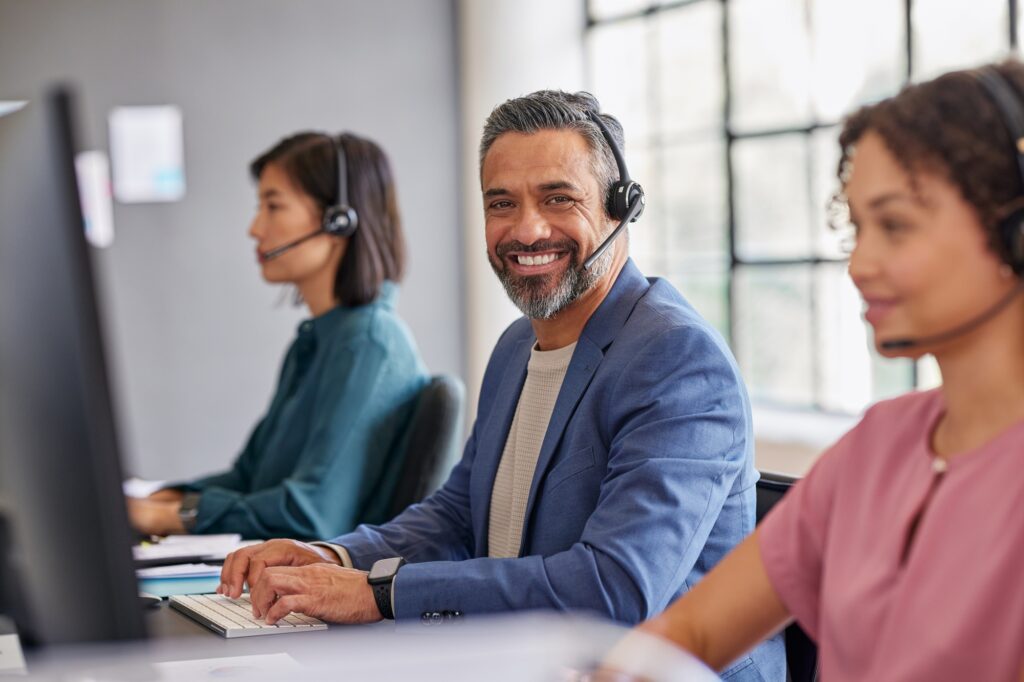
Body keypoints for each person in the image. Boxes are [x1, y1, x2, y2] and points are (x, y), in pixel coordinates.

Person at [218, 91, 784, 681]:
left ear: (621, 208)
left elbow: (614, 589)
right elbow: (461, 514)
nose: (526, 229)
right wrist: (332, 557)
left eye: (558, 198)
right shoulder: (518, 345)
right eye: (501, 203)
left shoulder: (676, 359)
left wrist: (378, 593)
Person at [601, 61, 1024, 681]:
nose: (860, 265)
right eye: (856, 228)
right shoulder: (878, 448)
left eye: (895, 226)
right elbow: (688, 632)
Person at [127, 131, 428, 540]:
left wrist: (164, 518)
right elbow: (250, 477)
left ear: (337, 220)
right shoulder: (315, 341)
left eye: (273, 206)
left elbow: (310, 515)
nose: (255, 228)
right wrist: (160, 499)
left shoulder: (368, 344)